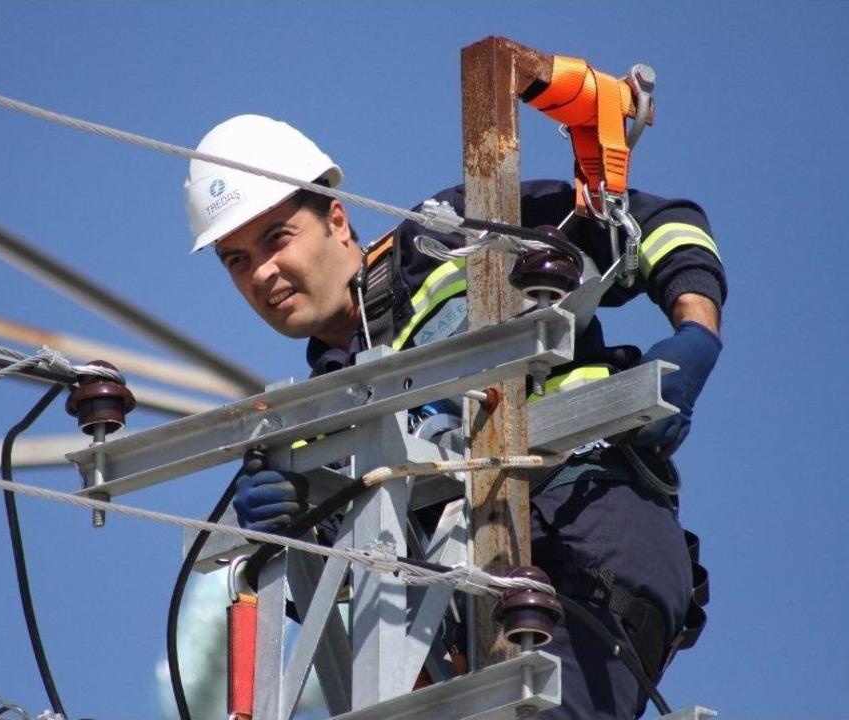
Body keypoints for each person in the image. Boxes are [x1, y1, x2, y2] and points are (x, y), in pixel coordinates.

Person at [183, 114, 725, 720]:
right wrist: (286, 529)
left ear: (337, 218)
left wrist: (695, 333)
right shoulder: (312, 421)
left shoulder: (450, 236)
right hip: (462, 621)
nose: (261, 273)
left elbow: (656, 224)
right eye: (235, 259)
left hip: (591, 535)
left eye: (277, 238)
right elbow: (341, 580)